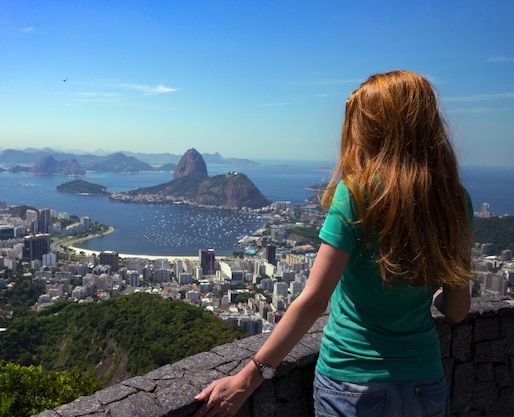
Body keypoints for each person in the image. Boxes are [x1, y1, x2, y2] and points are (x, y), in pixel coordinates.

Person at [193, 70, 473, 417]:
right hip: (425, 384)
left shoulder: (356, 193)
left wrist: (248, 379)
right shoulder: (455, 200)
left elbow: (313, 301)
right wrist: (430, 296)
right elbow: (458, 309)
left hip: (352, 384)